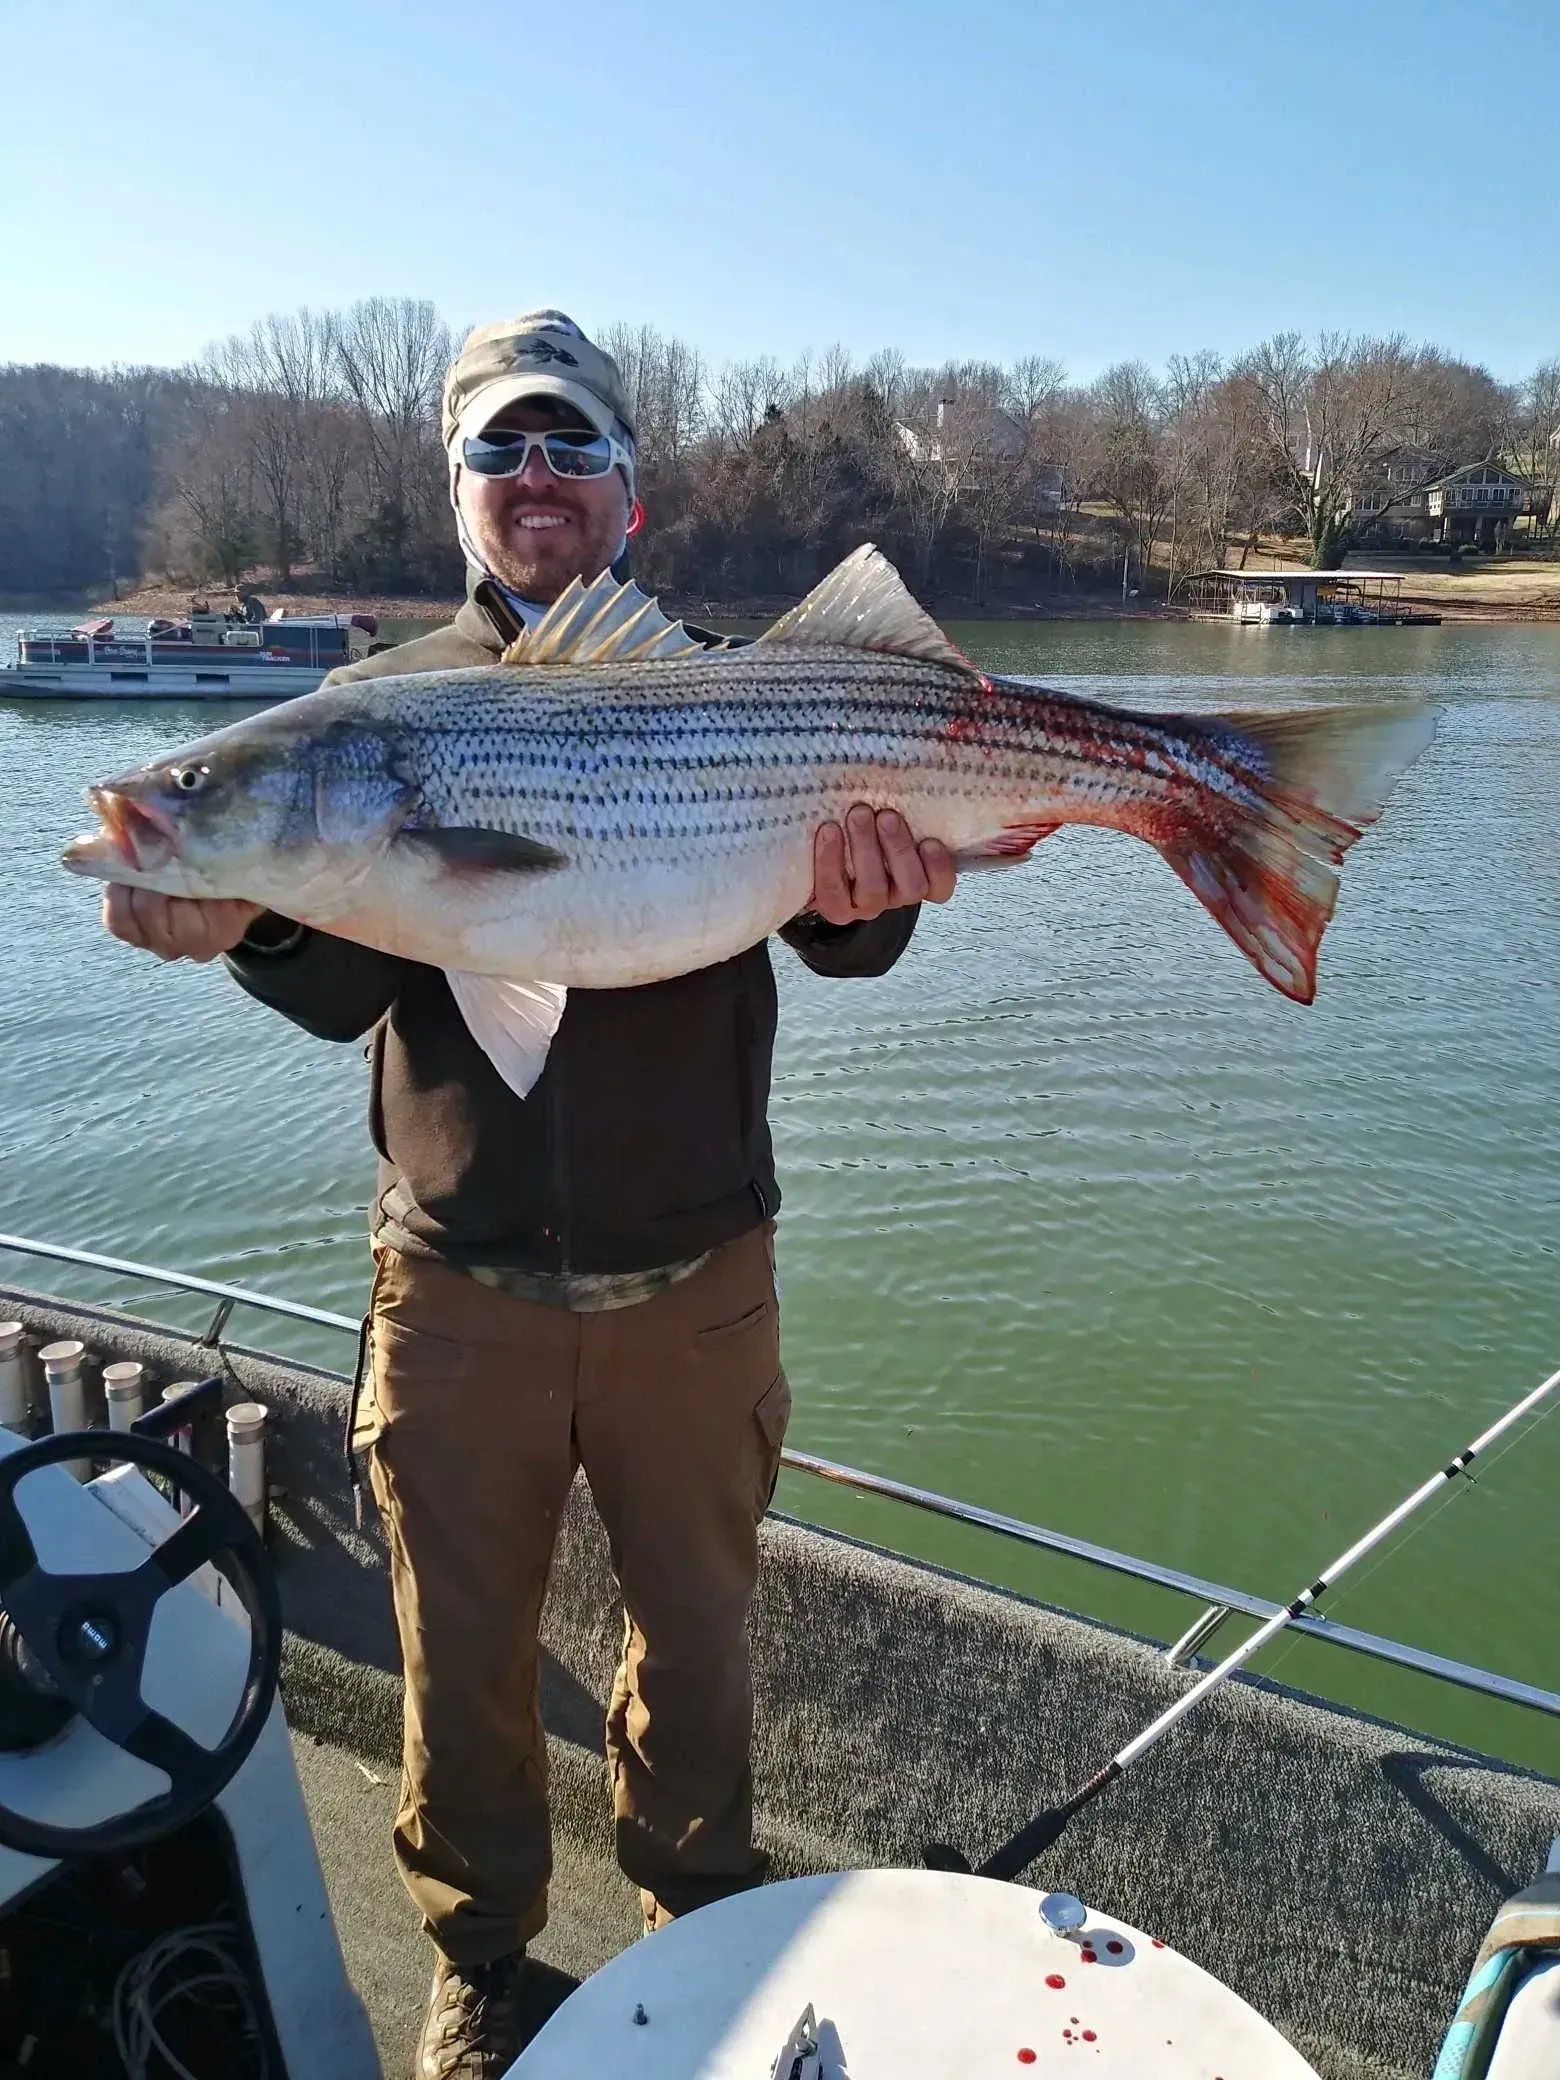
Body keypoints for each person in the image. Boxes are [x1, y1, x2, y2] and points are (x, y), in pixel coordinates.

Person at [102, 311, 957, 2077]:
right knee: (458, 1659)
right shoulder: (371, 714)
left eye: (572, 444)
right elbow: (346, 988)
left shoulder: (738, 691)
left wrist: (875, 891)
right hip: (460, 1287)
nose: (538, 476)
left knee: (699, 1654)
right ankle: (480, 1962)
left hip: (694, 1282)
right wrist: (244, 895)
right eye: (501, 448)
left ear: (629, 490)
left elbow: (839, 935)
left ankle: (701, 1929)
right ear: (460, 490)